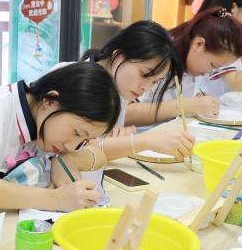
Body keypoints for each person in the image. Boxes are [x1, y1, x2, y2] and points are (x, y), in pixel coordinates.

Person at [0, 62, 121, 212]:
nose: (73, 146)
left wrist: (64, 161)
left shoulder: (44, 126)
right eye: (77, 133)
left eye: (83, 140)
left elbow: (98, 154)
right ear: (50, 100)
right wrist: (55, 199)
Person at [71, 21, 194, 160]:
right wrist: (143, 141)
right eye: (144, 74)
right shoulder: (73, 80)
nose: (146, 88)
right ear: (118, 56)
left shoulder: (119, 90)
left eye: (155, 82)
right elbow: (76, 151)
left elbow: (97, 149)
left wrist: (118, 140)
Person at [130, 6, 242, 124]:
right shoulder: (158, 56)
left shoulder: (188, 66)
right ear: (198, 44)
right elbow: (124, 113)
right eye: (213, 65)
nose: (210, 72)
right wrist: (186, 106)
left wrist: (194, 103)